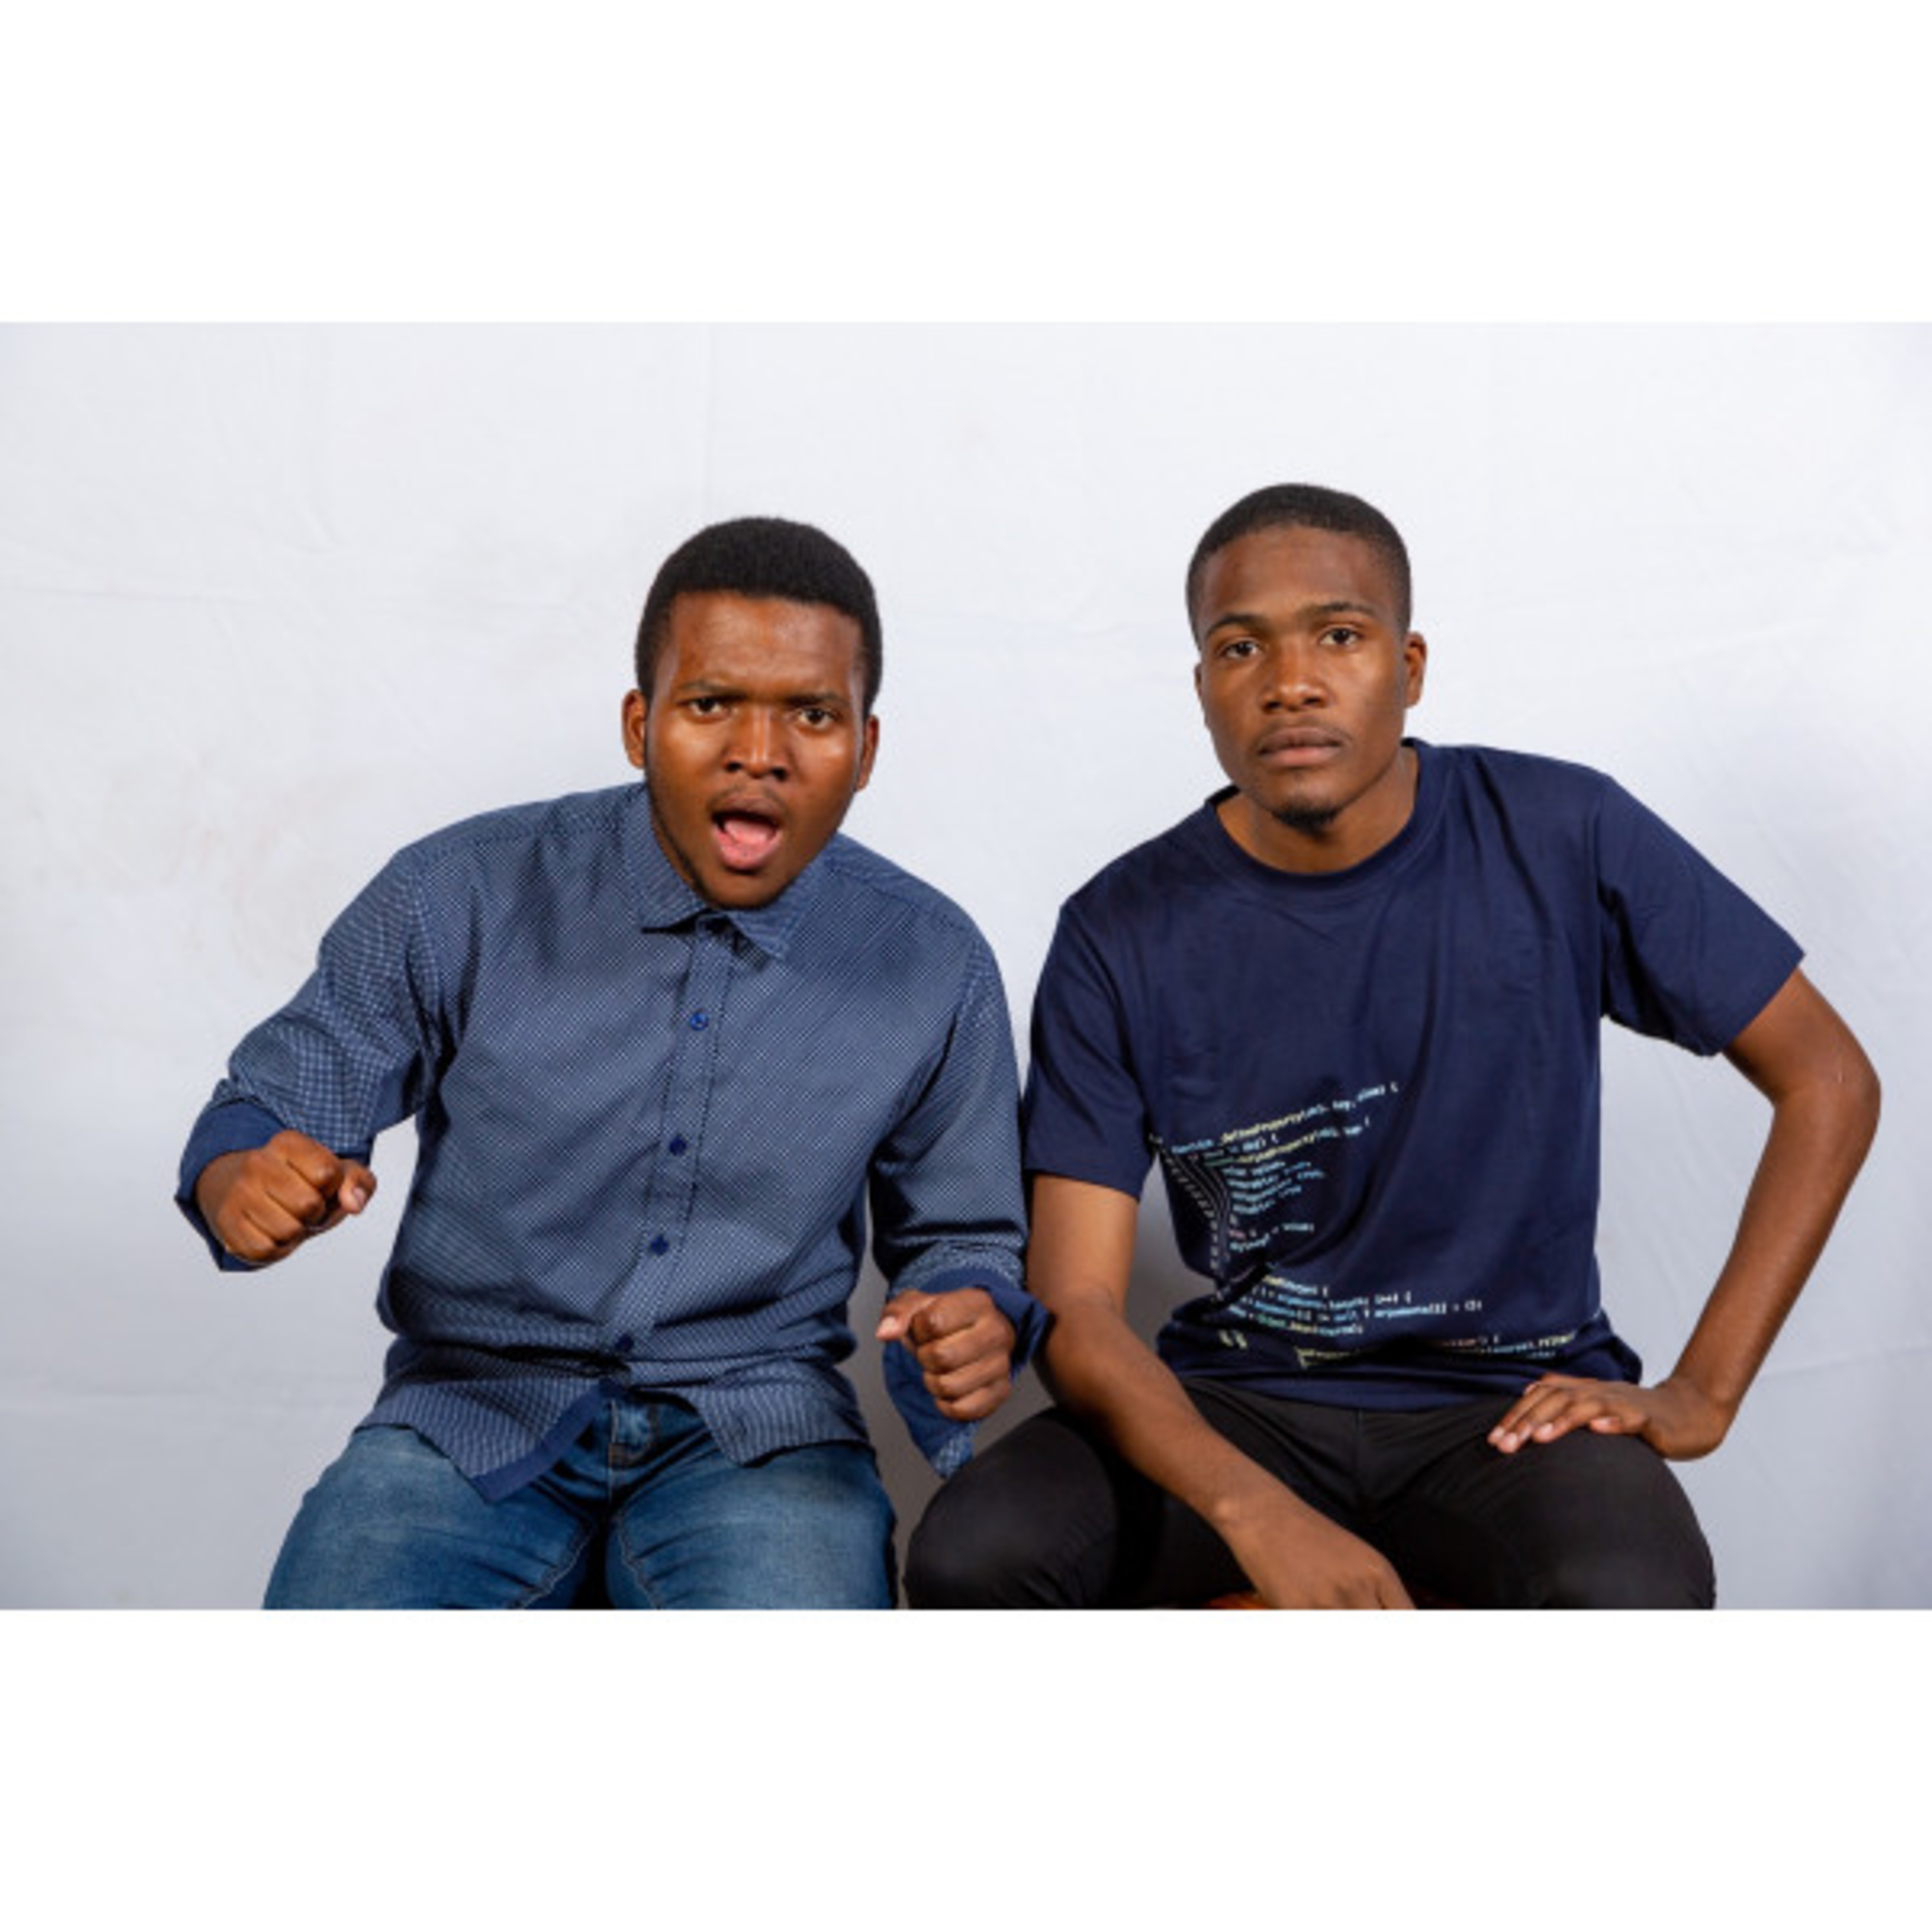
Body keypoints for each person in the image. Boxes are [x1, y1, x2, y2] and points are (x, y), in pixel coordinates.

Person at [907, 483, 1879, 1610]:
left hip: (1512, 1408)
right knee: (975, 1557)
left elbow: (1829, 1078)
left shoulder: (1563, 833)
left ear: (1409, 668)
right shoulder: (1119, 928)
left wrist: (1702, 1392)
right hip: (1241, 1402)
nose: (1291, 682)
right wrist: (1256, 1514)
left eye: (1339, 635)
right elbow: (1076, 1306)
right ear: (1203, 688)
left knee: (1633, 1591)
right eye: (1240, 648)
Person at [178, 515, 1043, 1609]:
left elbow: (963, 1236)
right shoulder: (457, 892)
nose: (760, 752)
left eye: (813, 715)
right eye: (711, 704)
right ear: (641, 725)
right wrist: (244, 1179)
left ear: (867, 749)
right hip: (470, 1416)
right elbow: (270, 1107)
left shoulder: (933, 960)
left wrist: (968, 1312)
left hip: (757, 1434)